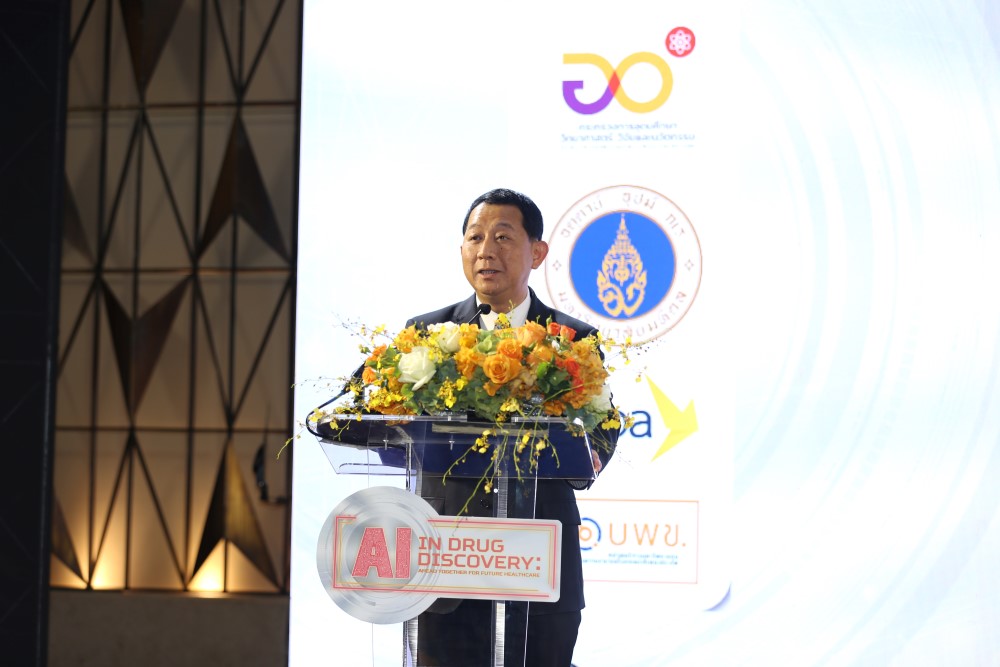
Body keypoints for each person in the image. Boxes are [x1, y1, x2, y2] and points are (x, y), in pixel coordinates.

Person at [406, 188, 618, 667]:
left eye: (502, 237)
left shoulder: (572, 340)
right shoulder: (425, 335)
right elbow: (379, 411)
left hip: (537, 558)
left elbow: (604, 422)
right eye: (475, 237)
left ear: (537, 253)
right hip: (447, 562)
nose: (486, 250)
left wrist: (589, 455)